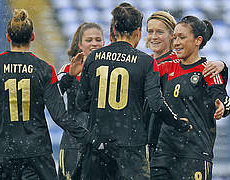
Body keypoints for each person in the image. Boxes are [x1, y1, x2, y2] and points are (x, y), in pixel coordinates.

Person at [75, 3, 192, 179]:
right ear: (138, 32)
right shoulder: (145, 62)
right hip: (131, 147)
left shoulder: (94, 57)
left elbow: (81, 102)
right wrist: (178, 122)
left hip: (97, 143)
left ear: (114, 29)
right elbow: (155, 103)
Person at [0, 9, 89, 180]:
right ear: (32, 37)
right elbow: (59, 116)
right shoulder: (44, 68)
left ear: (8, 37)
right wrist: (88, 137)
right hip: (37, 151)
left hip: (3, 151)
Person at [150, 15, 230, 180]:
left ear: (197, 41)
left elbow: (222, 97)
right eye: (175, 38)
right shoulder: (166, 67)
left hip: (194, 153)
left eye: (182, 37)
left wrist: (222, 106)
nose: (176, 43)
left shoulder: (207, 70)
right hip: (164, 153)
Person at [58, 22, 104, 180]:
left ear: (104, 43)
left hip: (101, 142)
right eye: (89, 40)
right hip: (73, 141)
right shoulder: (67, 69)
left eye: (98, 39)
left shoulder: (112, 71)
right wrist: (70, 76)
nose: (94, 44)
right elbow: (52, 97)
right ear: (79, 44)